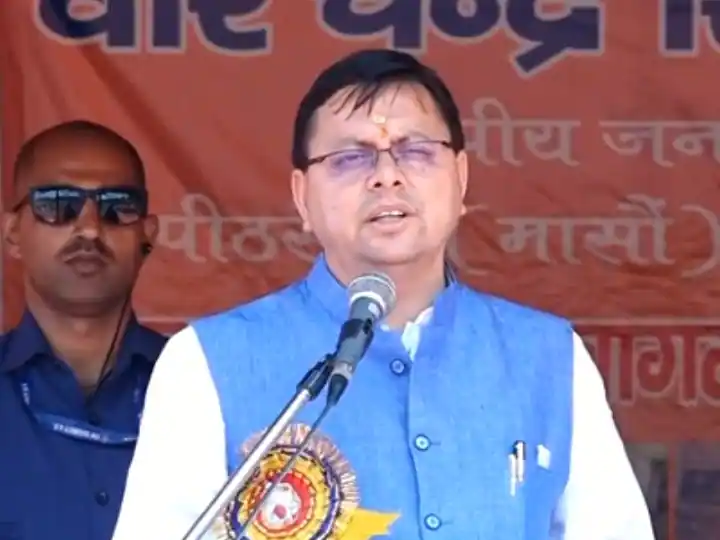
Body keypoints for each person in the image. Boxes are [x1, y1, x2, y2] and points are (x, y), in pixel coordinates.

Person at [112, 50, 655, 540]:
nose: (387, 176)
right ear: (302, 196)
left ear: (461, 178)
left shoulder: (549, 357)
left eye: (416, 151)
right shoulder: (205, 363)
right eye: (351, 158)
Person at [0, 120, 167, 540]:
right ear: (13, 233)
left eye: (117, 206)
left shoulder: (205, 387)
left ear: (147, 235)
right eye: (58, 204)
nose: (90, 228)